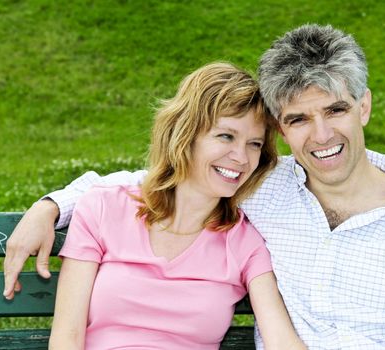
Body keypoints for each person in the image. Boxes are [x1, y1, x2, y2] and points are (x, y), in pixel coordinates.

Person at [4, 24, 385, 349]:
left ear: (363, 107)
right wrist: (51, 206)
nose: (322, 135)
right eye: (298, 120)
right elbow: (154, 181)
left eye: (335, 110)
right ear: (281, 131)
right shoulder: (261, 186)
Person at [44, 62, 305, 349]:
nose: (241, 158)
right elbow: (66, 337)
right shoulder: (104, 207)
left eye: (254, 144)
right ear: (185, 135)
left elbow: (280, 338)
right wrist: (46, 208)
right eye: (226, 136)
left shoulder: (244, 242)